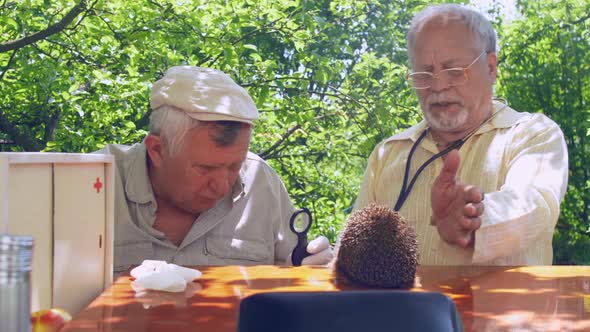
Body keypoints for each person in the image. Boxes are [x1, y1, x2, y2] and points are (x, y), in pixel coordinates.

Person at [354, 4, 568, 265]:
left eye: (454, 71)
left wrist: (472, 220)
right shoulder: (387, 154)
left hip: (499, 307)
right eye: (424, 74)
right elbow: (358, 255)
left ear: (491, 67)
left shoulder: (533, 135)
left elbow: (533, 206)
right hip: (401, 308)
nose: (438, 86)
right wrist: (325, 261)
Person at [101, 66, 332, 275]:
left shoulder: (260, 182)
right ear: (158, 150)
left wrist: (309, 273)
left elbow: (291, 281)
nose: (222, 186)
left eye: (235, 166)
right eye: (205, 168)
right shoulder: (92, 183)